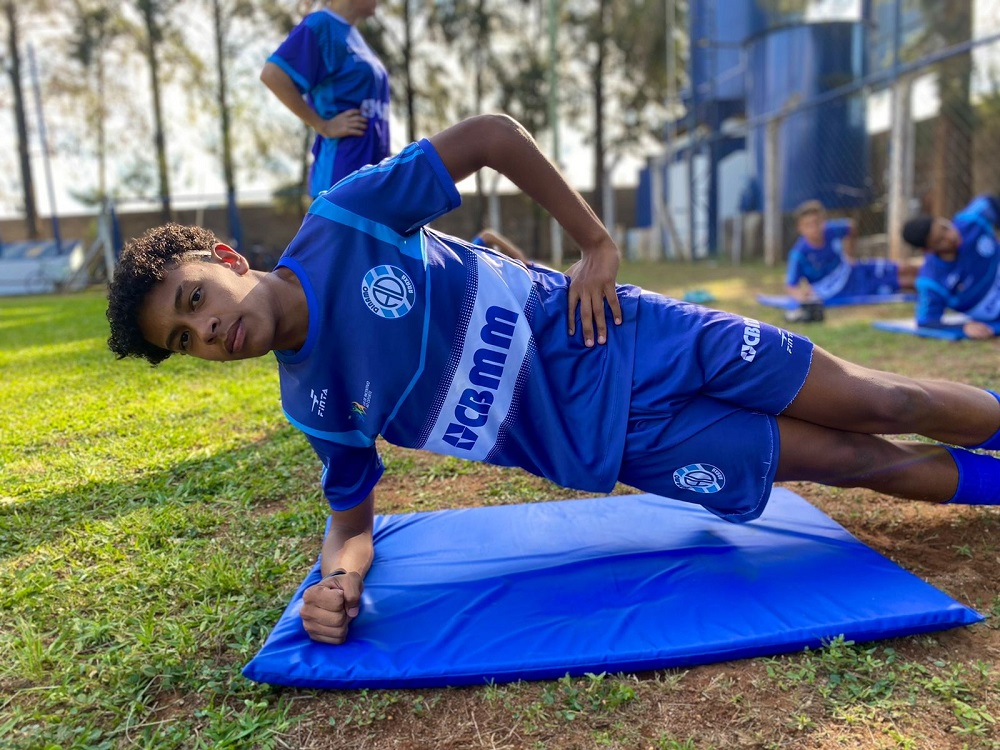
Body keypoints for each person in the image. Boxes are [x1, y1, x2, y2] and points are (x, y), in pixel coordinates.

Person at [106, 114, 1000, 646]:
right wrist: (337, 584)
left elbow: (492, 136)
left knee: (887, 401)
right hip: (620, 441)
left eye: (195, 298)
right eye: (184, 340)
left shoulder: (346, 220)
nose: (206, 330)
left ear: (224, 258)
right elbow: (351, 524)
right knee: (853, 463)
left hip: (635, 336)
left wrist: (595, 244)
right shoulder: (313, 403)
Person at [261, 0, 390, 197]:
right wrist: (323, 126)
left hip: (374, 177)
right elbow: (272, 75)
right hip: (341, 176)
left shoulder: (354, 35)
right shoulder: (321, 24)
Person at [901, 195, 1000, 340]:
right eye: (940, 241)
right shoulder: (931, 281)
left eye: (945, 227)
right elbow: (926, 323)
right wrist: (963, 327)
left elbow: (988, 201)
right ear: (927, 250)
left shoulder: (970, 222)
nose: (951, 236)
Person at [786, 200, 919, 304]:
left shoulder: (830, 231)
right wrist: (801, 296)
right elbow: (791, 286)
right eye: (808, 225)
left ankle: (931, 273)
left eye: (817, 223)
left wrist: (849, 254)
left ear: (823, 222)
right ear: (800, 228)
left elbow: (850, 227)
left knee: (903, 268)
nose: (814, 228)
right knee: (905, 283)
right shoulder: (799, 254)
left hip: (855, 269)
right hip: (848, 288)